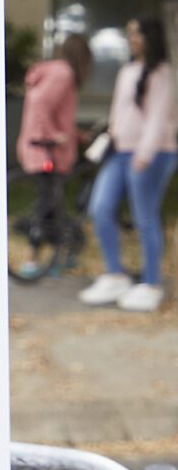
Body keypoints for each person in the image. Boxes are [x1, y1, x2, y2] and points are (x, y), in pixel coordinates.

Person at [79, 16, 173, 312]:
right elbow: (118, 113)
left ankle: (151, 283)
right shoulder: (127, 71)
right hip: (120, 152)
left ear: (150, 37)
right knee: (100, 209)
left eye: (136, 34)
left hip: (153, 154)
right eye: (129, 34)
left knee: (145, 218)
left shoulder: (163, 73)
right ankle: (115, 273)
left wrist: (143, 156)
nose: (131, 39)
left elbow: (158, 118)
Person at [16, 31, 92, 250]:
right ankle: (34, 248)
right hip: (46, 149)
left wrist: (77, 135)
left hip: (40, 145)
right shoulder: (64, 74)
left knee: (51, 202)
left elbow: (59, 115)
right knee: (47, 203)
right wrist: (52, 135)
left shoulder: (57, 72)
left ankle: (52, 256)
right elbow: (39, 103)